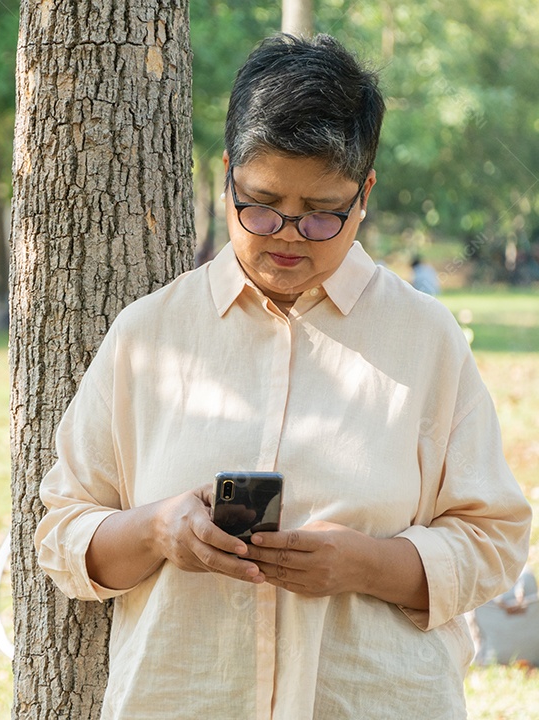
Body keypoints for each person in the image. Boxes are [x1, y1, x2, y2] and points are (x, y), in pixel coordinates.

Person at [34, 34, 531, 719]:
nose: (289, 235)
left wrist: (363, 565)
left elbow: (494, 538)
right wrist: (157, 532)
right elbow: (61, 534)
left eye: (323, 214)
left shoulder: (424, 339)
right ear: (228, 174)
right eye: (261, 205)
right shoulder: (149, 336)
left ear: (365, 196)